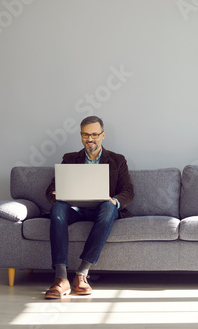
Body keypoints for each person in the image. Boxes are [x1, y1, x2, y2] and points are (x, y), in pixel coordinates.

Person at [44, 116, 134, 299]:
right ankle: (61, 278)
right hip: (75, 208)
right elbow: (51, 188)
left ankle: (82, 274)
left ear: (103, 135)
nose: (90, 139)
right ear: (80, 135)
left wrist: (114, 201)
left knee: (110, 208)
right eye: (86, 134)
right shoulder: (69, 159)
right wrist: (56, 193)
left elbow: (128, 191)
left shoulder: (117, 160)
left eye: (94, 134)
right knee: (58, 209)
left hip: (102, 209)